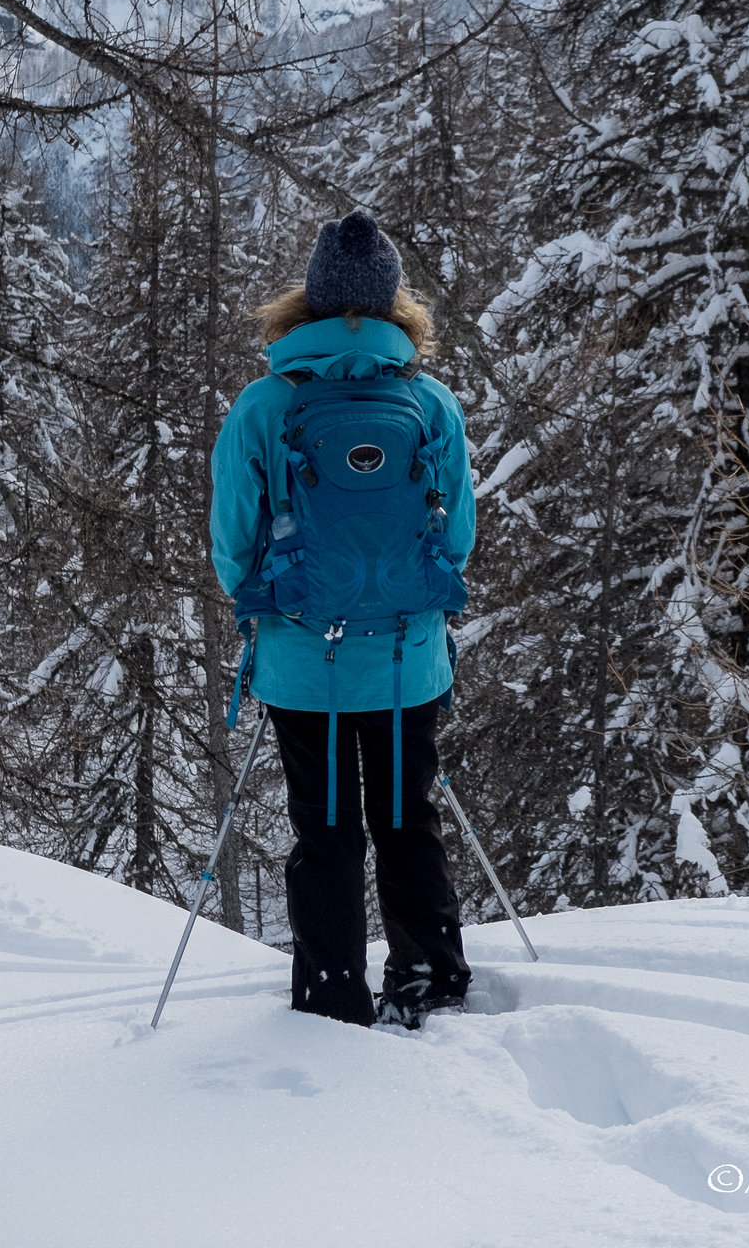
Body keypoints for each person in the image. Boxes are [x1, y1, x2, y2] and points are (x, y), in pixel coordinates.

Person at [209, 208, 476, 1029]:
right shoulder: (430, 403)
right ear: (396, 303)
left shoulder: (266, 405)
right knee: (407, 820)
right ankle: (428, 971)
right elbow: (455, 537)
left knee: (324, 834)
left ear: (308, 302)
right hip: (407, 661)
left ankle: (332, 994)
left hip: (303, 661)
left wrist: (264, 607)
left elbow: (233, 537)